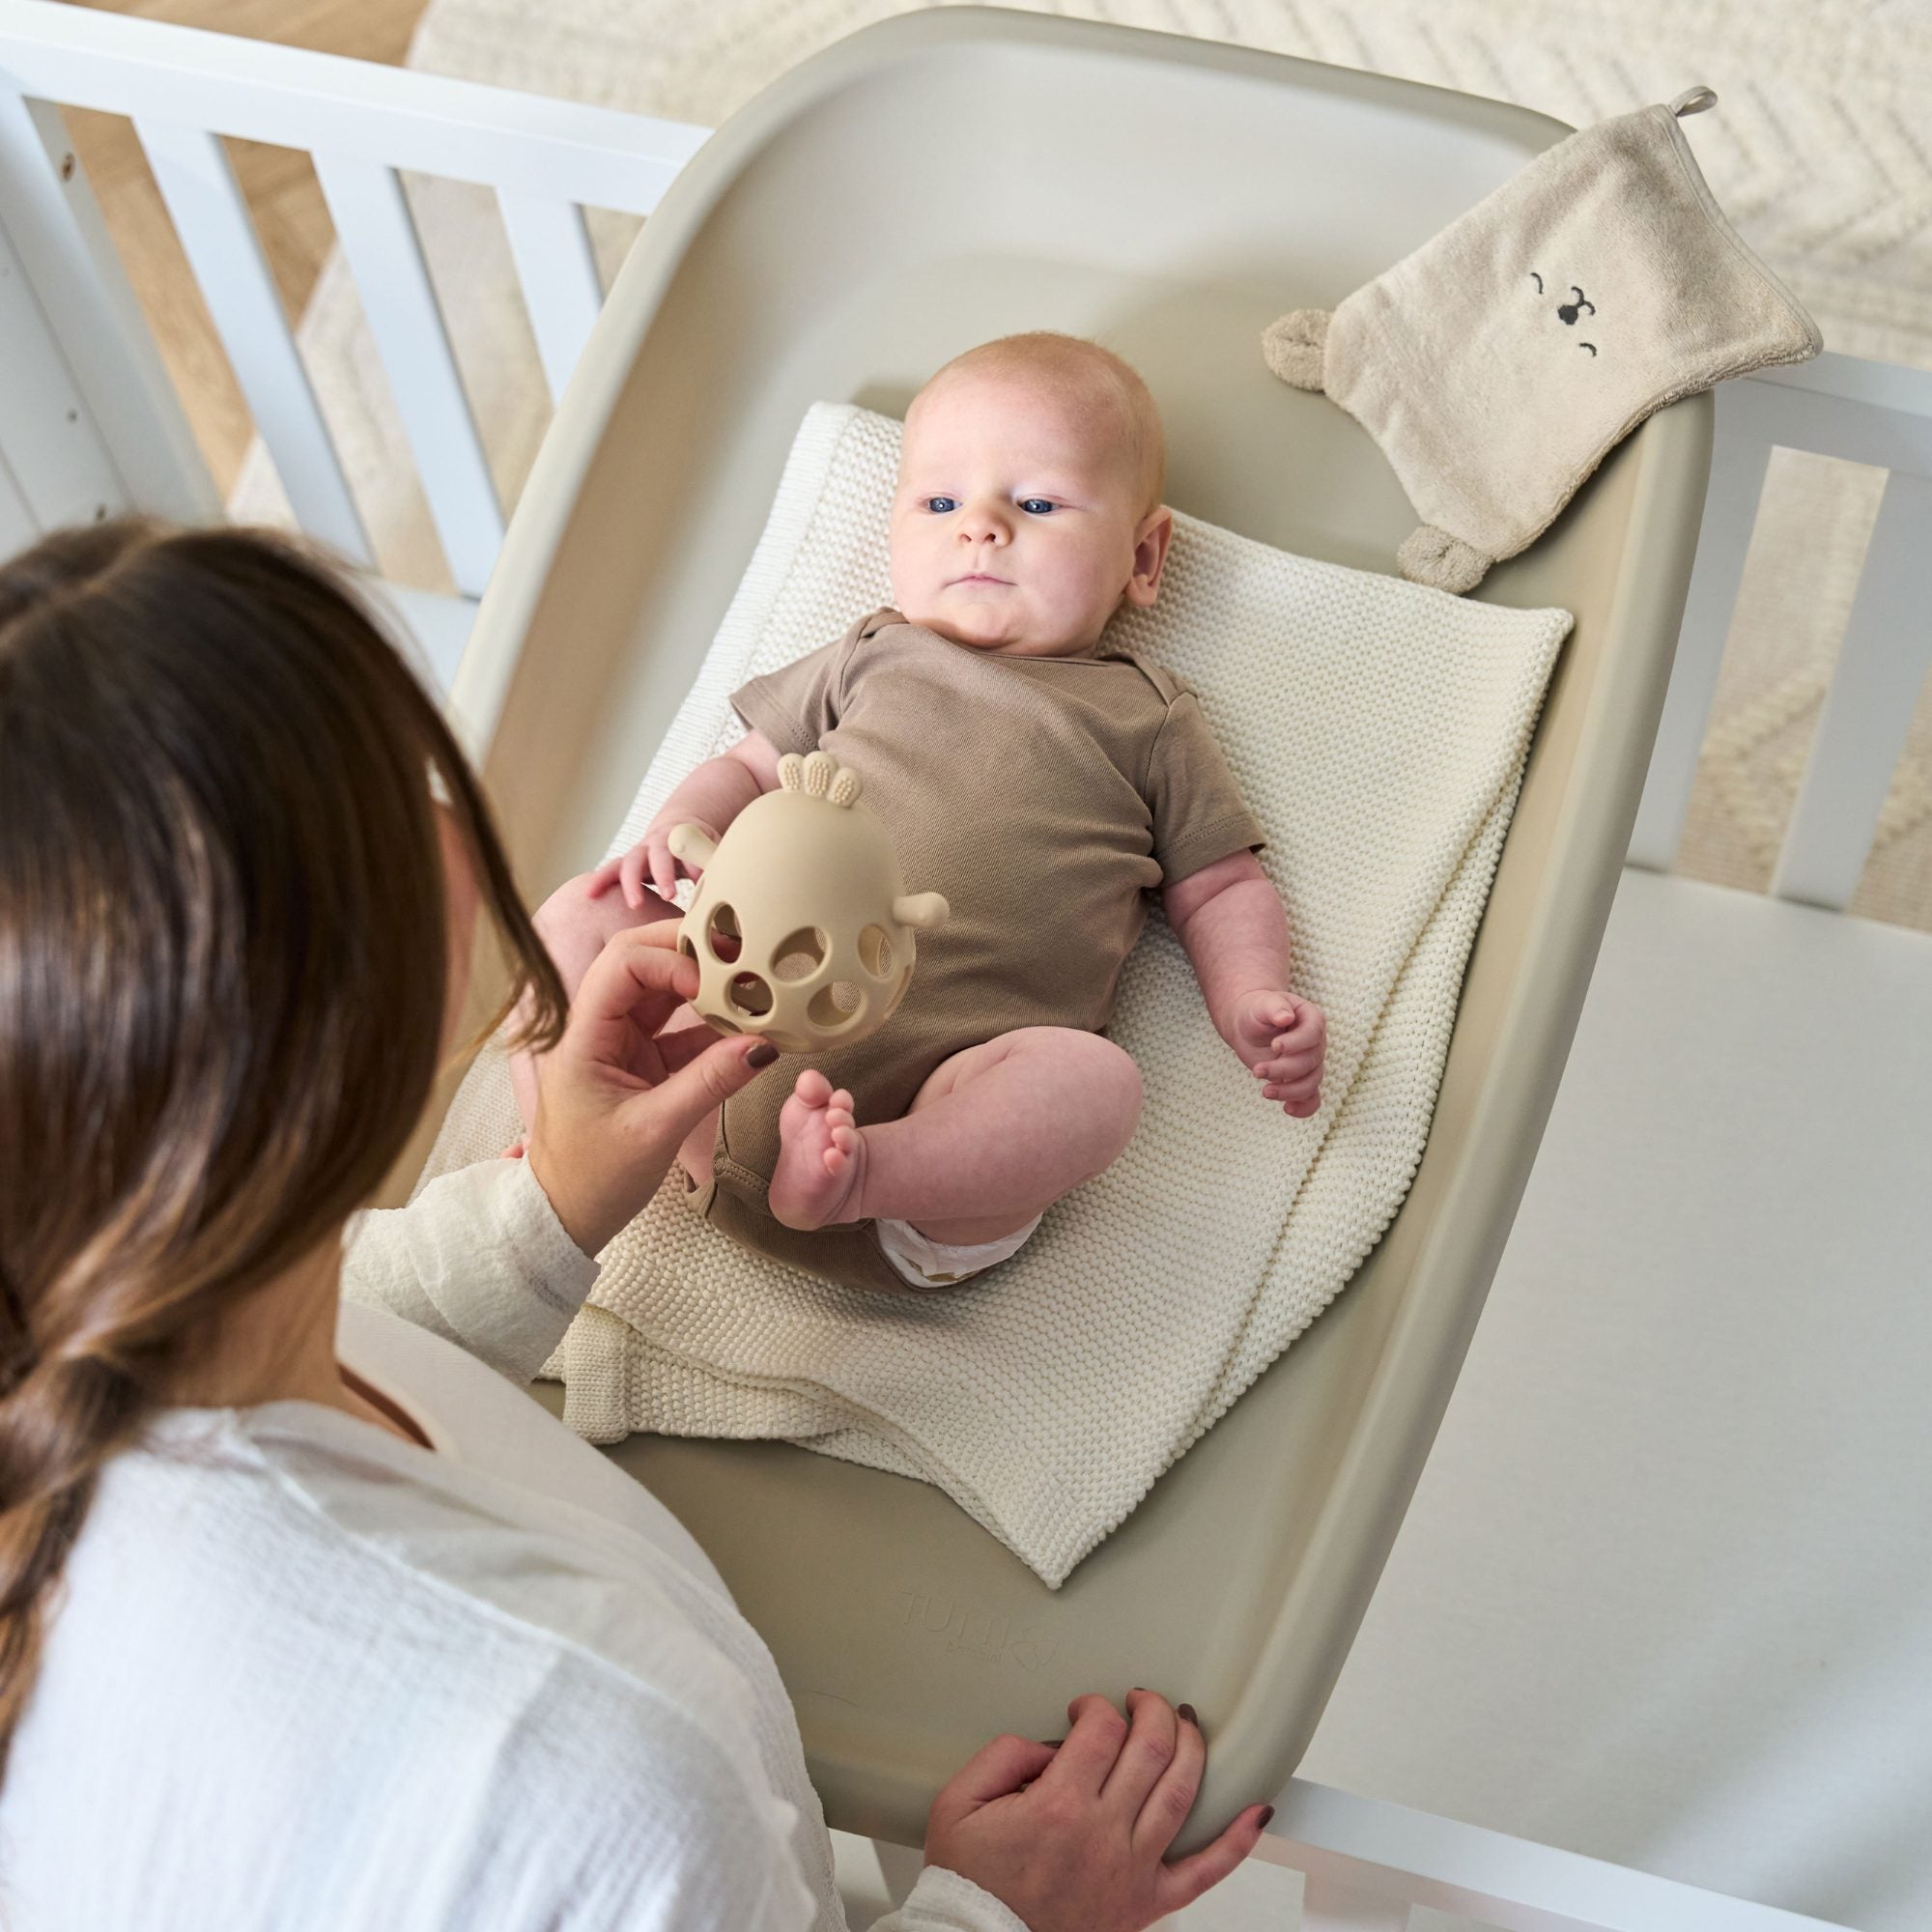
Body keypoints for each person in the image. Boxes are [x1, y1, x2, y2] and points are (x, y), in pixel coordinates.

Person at [0, 519, 1275, 1929]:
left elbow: (363, 1312)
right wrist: (989, 1918)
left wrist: (555, 1205)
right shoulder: (597, 1782)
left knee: (1085, 1091)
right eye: (415, 783)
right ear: (347, 1011)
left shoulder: (101, 1320)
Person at [513, 332, 1329, 1297]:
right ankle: (561, 1137)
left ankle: (860, 1171)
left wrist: (1248, 994)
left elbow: (1221, 883)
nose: (979, 527)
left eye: (1034, 503)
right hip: (715, 1036)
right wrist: (671, 833)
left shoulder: (1144, 718)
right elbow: (743, 767)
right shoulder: (871, 653)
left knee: (1093, 1087)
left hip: (927, 1147)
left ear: (1142, 558)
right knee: (580, 919)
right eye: (940, 503)